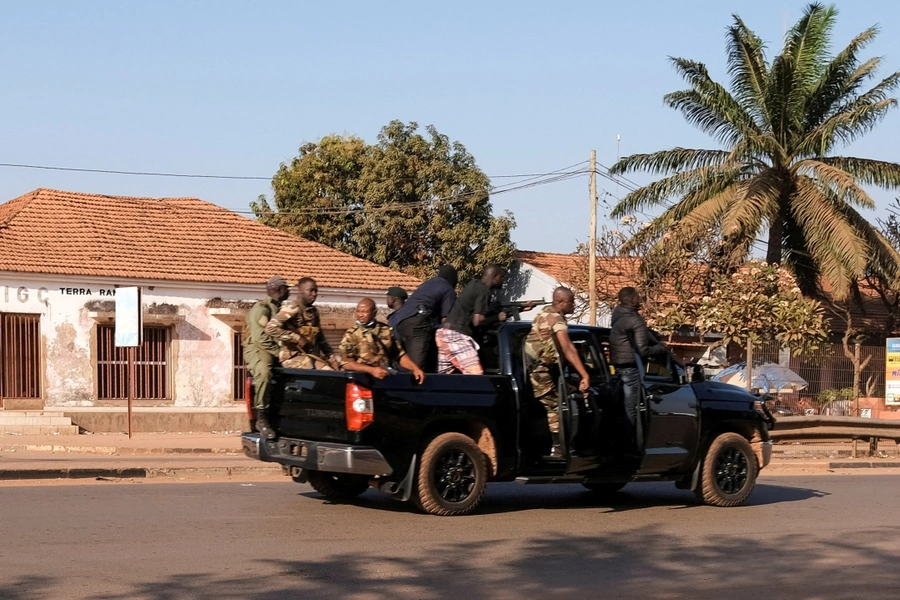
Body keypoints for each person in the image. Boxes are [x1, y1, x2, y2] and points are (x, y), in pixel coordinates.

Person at [524, 287, 591, 458]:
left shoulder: (543, 313)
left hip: (538, 369)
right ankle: (558, 448)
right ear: (561, 302)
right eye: (571, 302)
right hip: (540, 371)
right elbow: (567, 348)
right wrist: (585, 375)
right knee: (555, 406)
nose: (574, 305)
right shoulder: (556, 320)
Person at [609, 286, 668, 451]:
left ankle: (618, 443)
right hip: (631, 369)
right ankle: (630, 445)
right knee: (631, 409)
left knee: (619, 408)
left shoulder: (617, 315)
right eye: (638, 297)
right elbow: (643, 350)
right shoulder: (635, 320)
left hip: (617, 370)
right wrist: (661, 348)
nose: (640, 299)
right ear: (633, 300)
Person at [244, 275, 291, 440]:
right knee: (264, 372)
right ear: (278, 290)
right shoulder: (261, 309)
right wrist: (279, 353)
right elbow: (259, 338)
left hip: (276, 348)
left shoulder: (282, 309)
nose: (289, 290)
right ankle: (261, 417)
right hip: (258, 348)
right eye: (286, 287)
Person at [436, 265, 506, 375]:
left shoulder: (473, 284)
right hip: (456, 336)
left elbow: (470, 310)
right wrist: (497, 317)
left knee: (444, 378)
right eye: (502, 277)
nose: (503, 281)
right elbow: (477, 321)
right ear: (495, 276)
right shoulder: (484, 291)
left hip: (443, 333)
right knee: (475, 375)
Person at [338, 298, 426, 383]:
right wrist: (371, 370)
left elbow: (399, 354)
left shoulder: (385, 331)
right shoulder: (351, 334)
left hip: (384, 379)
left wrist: (415, 368)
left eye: (364, 312)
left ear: (374, 313)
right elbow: (346, 363)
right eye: (358, 311)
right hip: (362, 380)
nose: (360, 315)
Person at [390, 265, 458, 371]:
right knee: (416, 368)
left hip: (400, 321)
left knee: (403, 357)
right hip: (418, 323)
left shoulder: (428, 283)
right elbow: (446, 321)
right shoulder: (448, 288)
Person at [265, 277, 340, 370]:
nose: (314, 294)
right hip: (292, 357)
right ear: (300, 290)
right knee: (327, 372)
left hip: (310, 356)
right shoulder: (292, 309)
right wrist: (297, 338)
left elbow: (320, 338)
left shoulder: (313, 312)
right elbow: (271, 327)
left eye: (316, 291)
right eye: (311, 290)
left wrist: (331, 356)